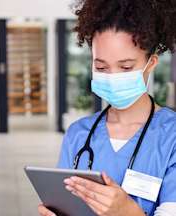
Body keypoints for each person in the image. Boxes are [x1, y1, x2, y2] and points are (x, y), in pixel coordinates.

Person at [39, 0, 176, 215]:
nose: (112, 77)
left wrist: (127, 212)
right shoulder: (78, 134)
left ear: (151, 63)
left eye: (126, 67)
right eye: (101, 66)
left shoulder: (171, 136)